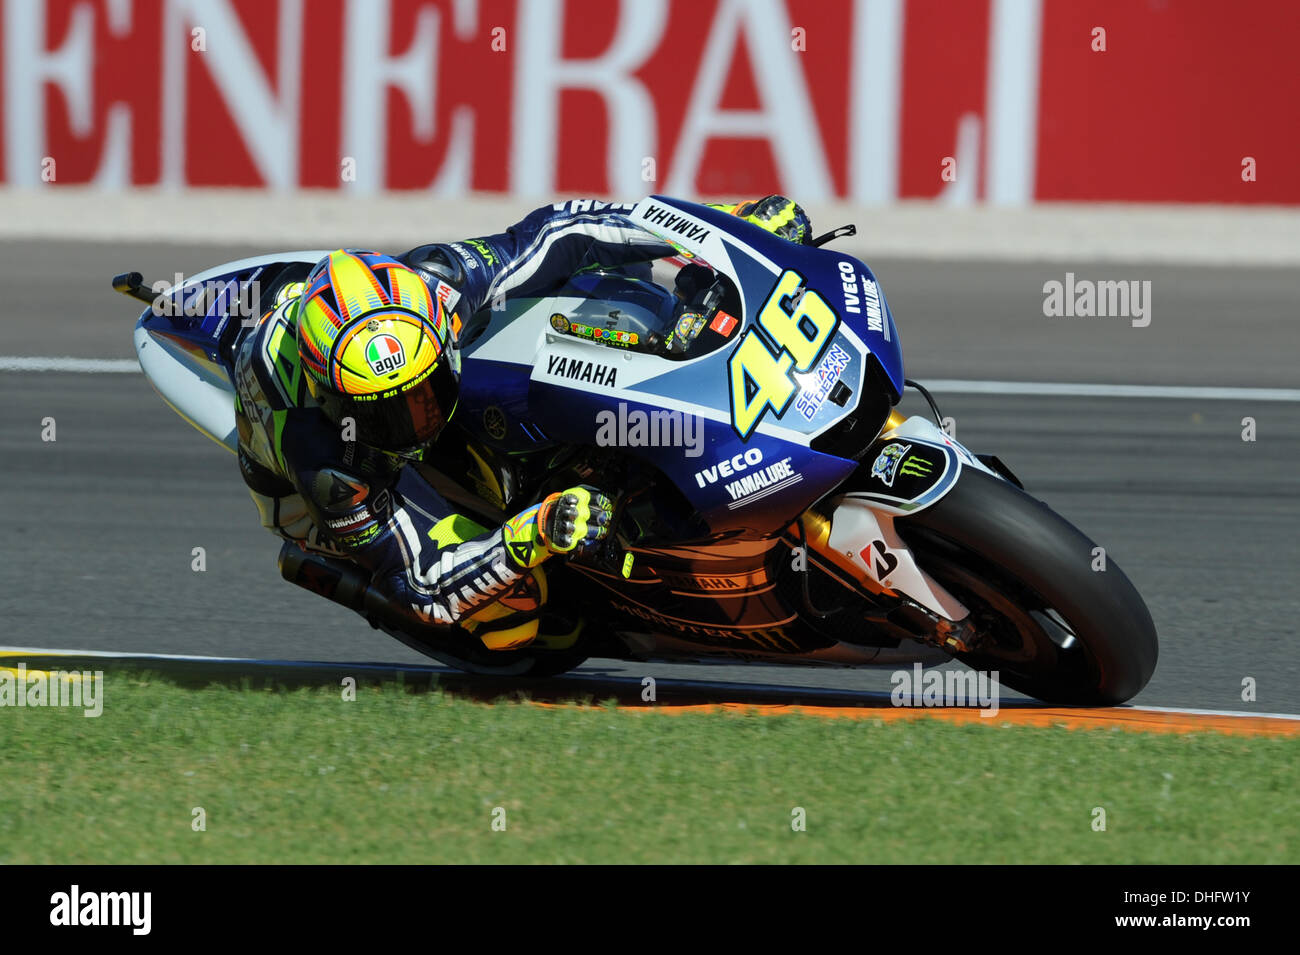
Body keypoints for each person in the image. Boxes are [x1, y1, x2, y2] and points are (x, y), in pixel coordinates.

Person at [231, 196, 813, 649]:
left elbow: (565, 232)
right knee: (511, 615)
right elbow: (424, 587)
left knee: (591, 292)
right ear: (336, 398)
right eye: (385, 410)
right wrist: (533, 531)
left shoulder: (444, 283)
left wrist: (732, 229)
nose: (417, 419)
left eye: (426, 390)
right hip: (344, 490)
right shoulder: (325, 461)